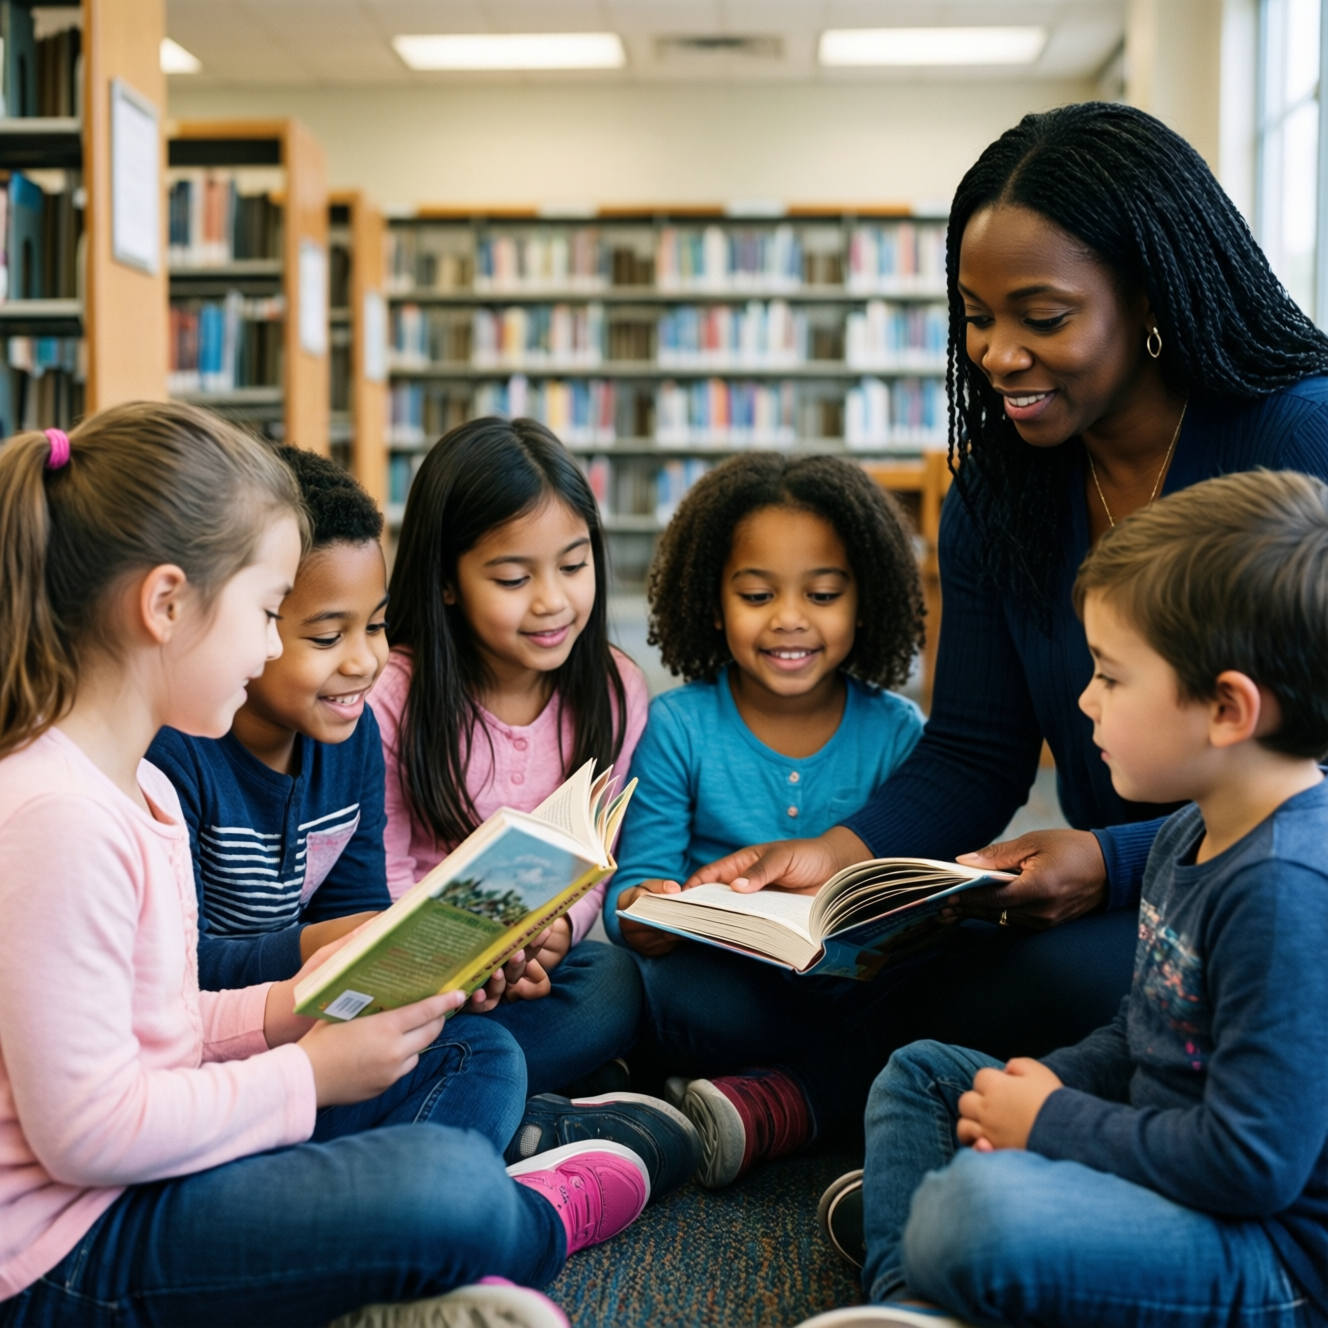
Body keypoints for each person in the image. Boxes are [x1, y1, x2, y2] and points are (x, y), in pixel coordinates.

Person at [0, 404, 661, 1328]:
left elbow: (166, 1024)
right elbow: (88, 1132)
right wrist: (306, 1077)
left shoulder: (130, 790)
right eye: (271, 614)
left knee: (467, 1050)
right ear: (164, 607)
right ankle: (518, 1226)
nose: (275, 648)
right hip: (71, 1250)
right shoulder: (58, 817)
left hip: (162, 1161)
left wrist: (294, 1004)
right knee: (452, 1190)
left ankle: (366, 1252)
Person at [694, 101, 1328, 1059]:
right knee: (779, 972)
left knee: (1021, 993)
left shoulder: (1297, 441)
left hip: (1280, 878)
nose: (996, 355)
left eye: (1044, 319)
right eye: (978, 318)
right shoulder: (1000, 492)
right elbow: (977, 752)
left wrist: (1111, 863)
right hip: (1106, 892)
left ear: (1150, 297)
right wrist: (836, 858)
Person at [815, 471, 1328, 1328]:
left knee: (970, 1212)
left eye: (1112, 677)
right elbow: (1144, 1033)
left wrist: (1051, 1124)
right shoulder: (1186, 832)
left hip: (1266, 1253)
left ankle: (926, 1260)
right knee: (924, 1077)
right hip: (1159, 1156)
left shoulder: (1285, 891)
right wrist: (1045, 1085)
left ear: (1229, 709)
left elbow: (1250, 1166)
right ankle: (918, 1299)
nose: (1084, 700)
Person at [606, 453, 926, 1187]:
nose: (789, 619)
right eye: (757, 594)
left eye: (823, 593)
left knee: (947, 993)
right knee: (637, 988)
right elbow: (634, 892)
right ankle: (820, 1097)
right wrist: (651, 908)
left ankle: (769, 1100)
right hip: (722, 985)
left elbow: (922, 886)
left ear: (864, 600)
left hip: (854, 982)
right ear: (713, 603)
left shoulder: (899, 731)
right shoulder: (679, 725)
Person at [373, 416, 651, 1104]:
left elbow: (592, 860)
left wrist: (558, 931)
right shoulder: (390, 697)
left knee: (615, 985)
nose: (552, 600)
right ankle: (519, 1100)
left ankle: (478, 1091)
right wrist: (457, 964)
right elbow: (381, 876)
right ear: (446, 582)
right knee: (396, 1037)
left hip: (529, 977)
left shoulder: (614, 690)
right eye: (511, 577)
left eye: (574, 565)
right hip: (413, 986)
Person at [148, 445, 392, 991]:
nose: (364, 662)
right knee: (486, 1057)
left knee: (596, 987)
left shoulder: (354, 735)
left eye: (377, 626)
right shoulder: (171, 755)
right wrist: (320, 945)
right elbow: (184, 966)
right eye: (327, 637)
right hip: (220, 1023)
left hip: (317, 1001)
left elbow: (358, 903)